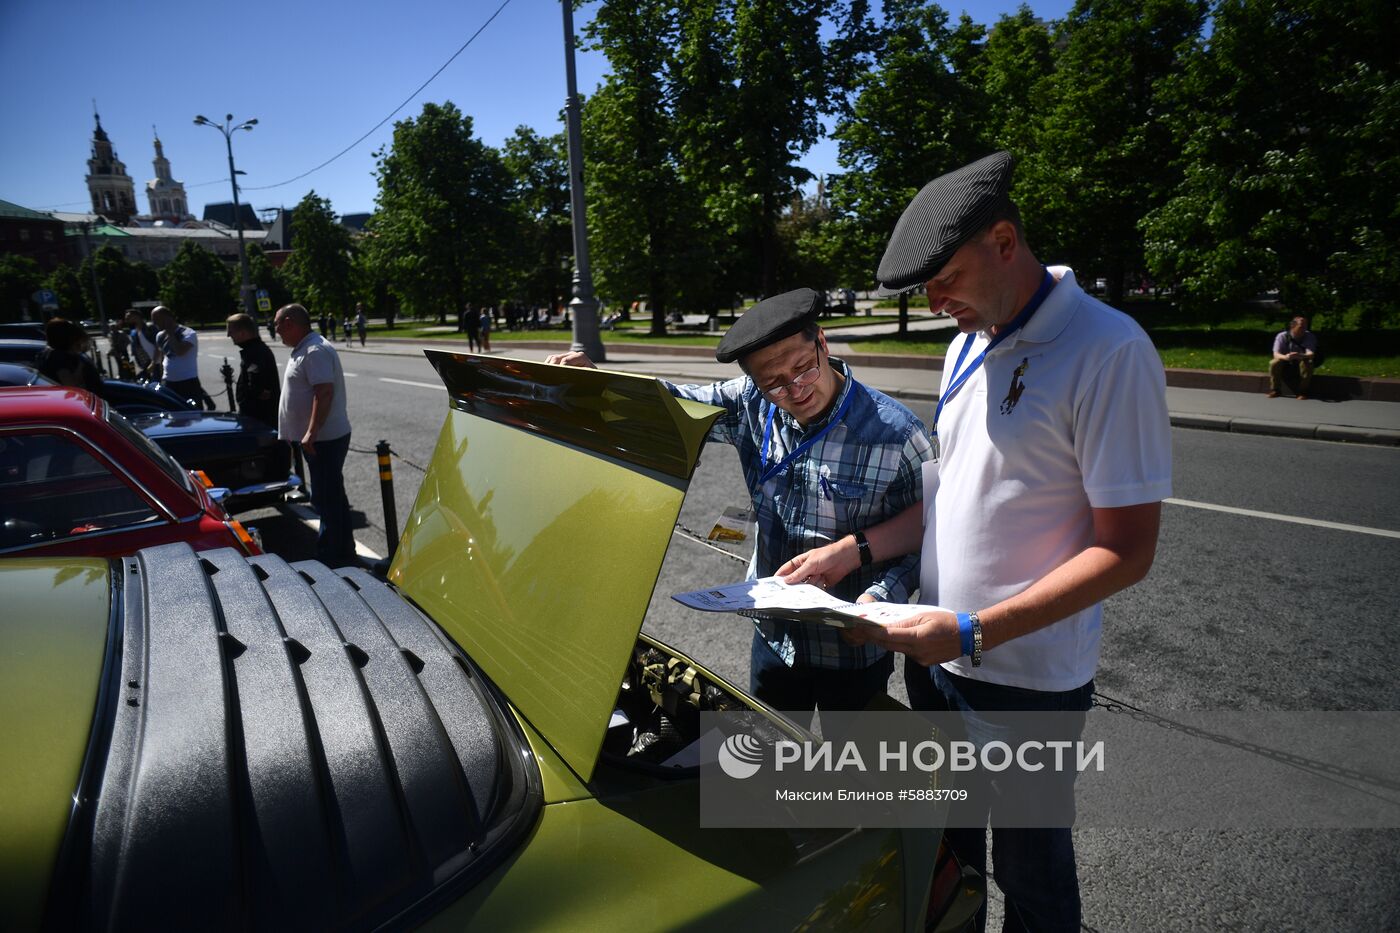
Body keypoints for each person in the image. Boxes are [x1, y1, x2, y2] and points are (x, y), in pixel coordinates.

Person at [777, 152, 1172, 932]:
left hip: (1025, 681)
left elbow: (1127, 549)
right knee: (948, 860)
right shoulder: (968, 342)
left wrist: (973, 627)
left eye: (944, 278)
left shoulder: (1108, 350)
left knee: (1032, 876)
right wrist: (852, 551)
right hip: (936, 662)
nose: (933, 301)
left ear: (1002, 240)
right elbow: (947, 499)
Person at [548, 288, 934, 720]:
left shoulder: (897, 434)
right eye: (774, 384)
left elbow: (928, 536)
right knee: (769, 764)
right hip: (773, 637)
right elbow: (669, 407)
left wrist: (879, 600)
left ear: (823, 343)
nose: (795, 389)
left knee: (854, 772)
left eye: (804, 369)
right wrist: (600, 382)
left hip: (851, 649)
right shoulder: (748, 403)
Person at [274, 303, 356, 566]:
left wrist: (310, 432)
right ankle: (343, 550)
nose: (275, 331)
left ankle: (330, 557)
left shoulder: (314, 350)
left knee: (326, 499)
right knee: (333, 496)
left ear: (289, 322)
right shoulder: (305, 347)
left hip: (323, 439)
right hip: (320, 439)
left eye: (276, 325)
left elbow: (324, 393)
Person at [150, 305, 214, 409]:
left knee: (193, 414)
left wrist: (170, 333)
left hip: (188, 381)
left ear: (168, 318)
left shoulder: (188, 333)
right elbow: (162, 356)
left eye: (156, 319)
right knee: (173, 415)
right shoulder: (159, 335)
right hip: (168, 382)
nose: (154, 323)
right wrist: (157, 370)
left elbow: (180, 351)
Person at [226, 312, 280, 429]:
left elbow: (258, 386)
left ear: (243, 333)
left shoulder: (254, 353)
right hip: (259, 417)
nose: (228, 335)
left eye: (231, 331)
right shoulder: (254, 350)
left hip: (259, 419)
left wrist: (253, 395)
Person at [35, 317, 104, 396]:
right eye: (76, 340)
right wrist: (80, 367)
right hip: (84, 402)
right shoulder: (58, 358)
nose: (79, 344)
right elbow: (71, 387)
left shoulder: (49, 354)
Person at [1268, 315, 1319, 399]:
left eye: (1305, 326)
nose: (1304, 329)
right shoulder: (1282, 336)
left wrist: (1299, 355)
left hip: (1301, 359)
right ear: (1292, 326)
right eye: (1301, 326)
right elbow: (1276, 354)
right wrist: (1286, 357)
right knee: (1274, 362)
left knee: (1308, 363)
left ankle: (1302, 391)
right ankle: (1275, 389)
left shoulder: (1309, 336)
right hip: (1285, 360)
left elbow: (1311, 354)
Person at [125, 309, 158, 379]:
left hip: (157, 364)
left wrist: (153, 363)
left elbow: (159, 346)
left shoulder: (149, 328)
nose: (126, 320)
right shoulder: (134, 332)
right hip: (147, 365)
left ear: (137, 317)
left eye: (128, 318)